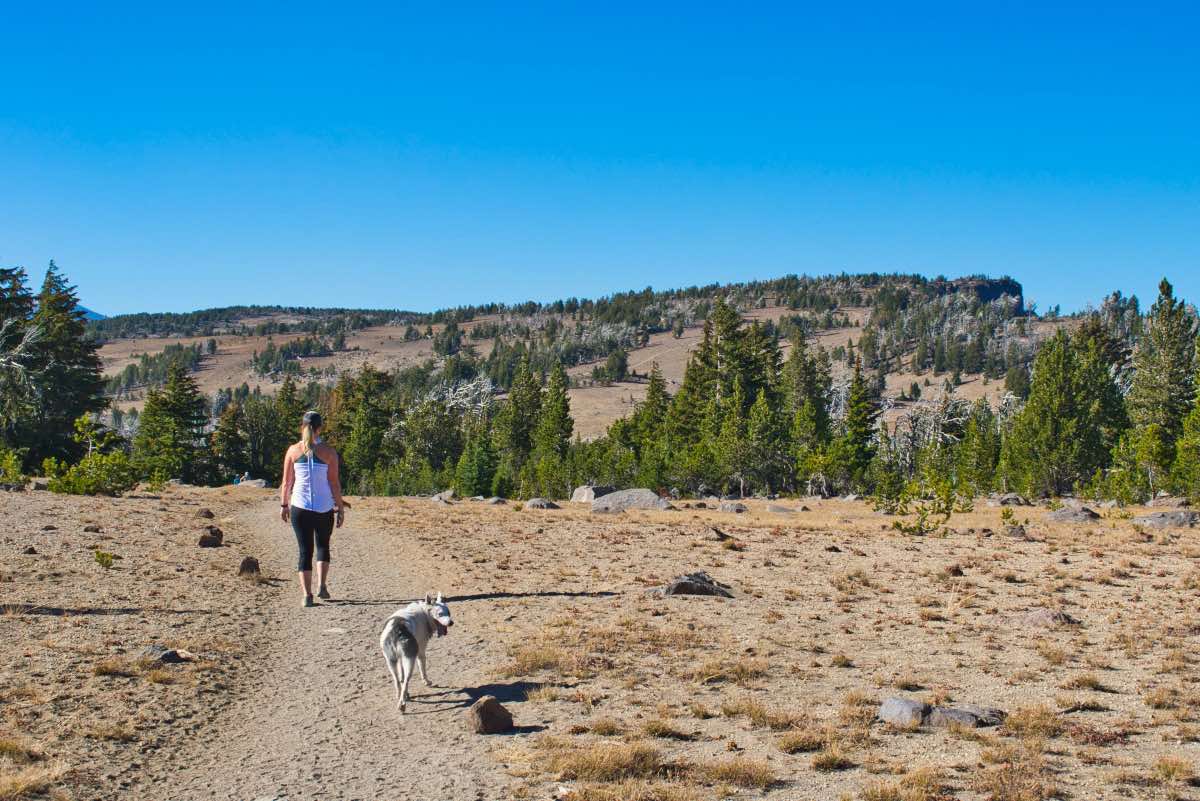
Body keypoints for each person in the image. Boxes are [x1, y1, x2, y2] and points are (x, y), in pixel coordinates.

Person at [280, 410, 346, 607]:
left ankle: (307, 595)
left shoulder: (293, 451)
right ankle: (322, 586)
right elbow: (334, 484)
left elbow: (286, 482)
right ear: (320, 428)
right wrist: (340, 507)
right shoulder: (328, 452)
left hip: (300, 507)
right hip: (324, 507)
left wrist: (284, 504)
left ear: (302, 427)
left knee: (304, 551)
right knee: (323, 546)